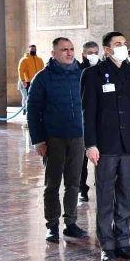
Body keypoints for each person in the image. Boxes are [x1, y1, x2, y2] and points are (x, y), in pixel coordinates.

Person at [81, 31, 130, 261]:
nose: (122, 47)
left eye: (125, 43)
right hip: (106, 144)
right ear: (107, 49)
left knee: (125, 194)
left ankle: (123, 242)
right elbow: (88, 113)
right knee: (105, 194)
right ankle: (106, 245)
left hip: (129, 144)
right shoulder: (92, 75)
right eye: (117, 44)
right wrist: (90, 144)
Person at [27, 37, 87, 243]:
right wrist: (38, 140)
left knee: (74, 182)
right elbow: (33, 111)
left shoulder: (82, 74)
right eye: (64, 50)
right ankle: (52, 225)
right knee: (52, 184)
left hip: (78, 137)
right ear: (54, 54)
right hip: (54, 138)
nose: (69, 53)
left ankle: (70, 223)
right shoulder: (42, 78)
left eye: (71, 49)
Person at [77, 40, 100, 201]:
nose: (93, 56)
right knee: (81, 160)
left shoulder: (103, 69)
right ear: (83, 54)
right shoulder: (78, 70)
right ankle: (82, 188)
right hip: (82, 121)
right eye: (89, 53)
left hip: (101, 121)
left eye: (95, 52)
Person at [18, 44, 44, 114]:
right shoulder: (24, 60)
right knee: (26, 97)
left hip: (37, 82)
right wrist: (23, 81)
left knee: (35, 96)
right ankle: (25, 109)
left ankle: (33, 109)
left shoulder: (39, 60)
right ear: (29, 50)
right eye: (32, 49)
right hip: (27, 81)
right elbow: (20, 70)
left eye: (34, 49)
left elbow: (42, 70)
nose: (33, 50)